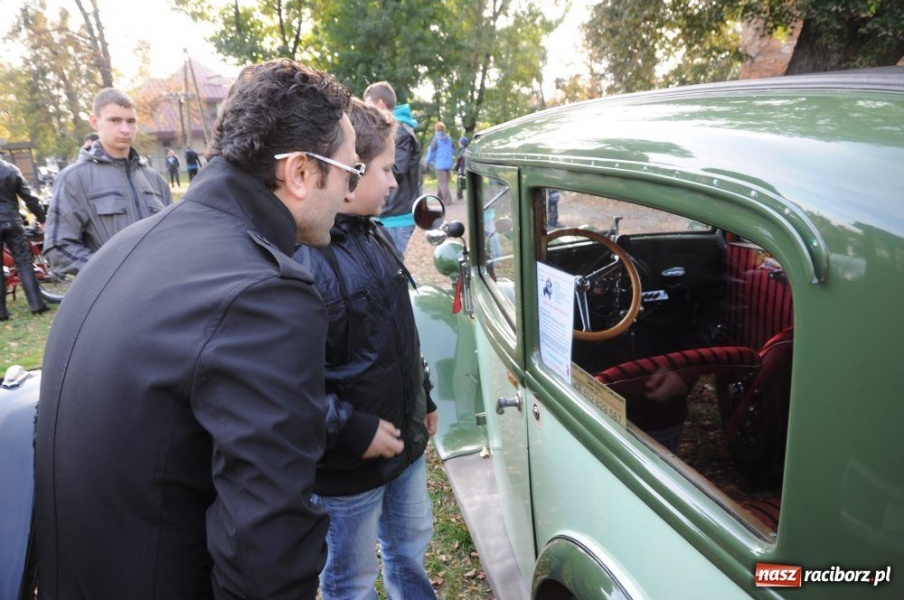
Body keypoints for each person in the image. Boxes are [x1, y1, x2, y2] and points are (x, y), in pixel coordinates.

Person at [34, 58, 355, 599]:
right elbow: (267, 554)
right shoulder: (264, 293)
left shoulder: (127, 246)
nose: (350, 193)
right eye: (351, 172)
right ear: (301, 172)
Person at [293, 98, 438, 600]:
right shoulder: (304, 260)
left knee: (410, 547)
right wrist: (350, 429)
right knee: (349, 577)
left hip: (405, 444)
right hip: (347, 468)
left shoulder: (374, 234)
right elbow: (290, 383)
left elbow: (400, 334)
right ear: (350, 173)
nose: (395, 182)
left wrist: (425, 397)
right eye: (384, 169)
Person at [43, 88, 172, 274]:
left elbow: (172, 236)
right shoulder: (74, 178)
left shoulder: (154, 179)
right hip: (111, 296)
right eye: (115, 120)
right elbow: (59, 247)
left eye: (131, 121)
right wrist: (110, 273)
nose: (125, 129)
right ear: (95, 122)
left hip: (160, 288)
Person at [363, 81, 422, 256]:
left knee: (391, 266)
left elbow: (397, 170)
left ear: (380, 103)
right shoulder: (397, 130)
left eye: (369, 105)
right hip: (391, 213)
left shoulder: (400, 132)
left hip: (396, 215)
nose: (368, 111)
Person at [0, 158, 48, 319]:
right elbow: (29, 198)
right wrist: (41, 218)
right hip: (13, 221)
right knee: (24, 262)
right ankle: (37, 305)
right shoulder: (11, 169)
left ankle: (1, 312)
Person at [424, 121, 455, 204]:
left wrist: (427, 161)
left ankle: (448, 201)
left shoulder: (436, 139)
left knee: (442, 183)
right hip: (448, 164)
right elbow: (453, 150)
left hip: (440, 165)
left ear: (436, 129)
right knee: (443, 182)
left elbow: (431, 151)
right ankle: (439, 197)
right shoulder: (449, 138)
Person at [455, 135, 469, 201]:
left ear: (462, 143)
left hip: (462, 169)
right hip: (467, 169)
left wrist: (456, 168)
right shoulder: (468, 150)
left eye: (459, 142)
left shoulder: (462, 151)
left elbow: (459, 160)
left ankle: (459, 196)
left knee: (460, 182)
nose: (459, 143)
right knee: (467, 182)